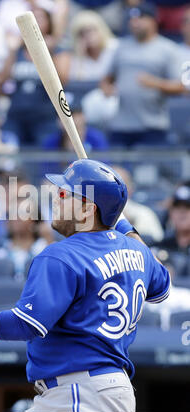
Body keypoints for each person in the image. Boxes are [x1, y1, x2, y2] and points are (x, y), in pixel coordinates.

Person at [0, 158, 170, 412]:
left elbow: (24, 324)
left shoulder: (61, 255)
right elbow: (162, 286)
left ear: (87, 210)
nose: (55, 200)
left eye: (64, 194)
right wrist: (125, 226)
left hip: (79, 393)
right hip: (109, 390)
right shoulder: (138, 251)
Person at [101, 2, 186, 148]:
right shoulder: (121, 46)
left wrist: (155, 83)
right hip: (120, 124)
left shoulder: (168, 49)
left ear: (154, 21)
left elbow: (181, 86)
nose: (135, 23)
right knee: (116, 169)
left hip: (152, 124)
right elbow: (107, 78)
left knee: (147, 170)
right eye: (132, 19)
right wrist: (106, 88)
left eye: (140, 19)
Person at [0, 1, 68, 146]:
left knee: (43, 156)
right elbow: (2, 79)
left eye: (40, 18)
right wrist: (11, 51)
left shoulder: (57, 50)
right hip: (16, 113)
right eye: (33, 17)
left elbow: (63, 80)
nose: (35, 22)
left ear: (49, 22)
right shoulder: (18, 50)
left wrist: (48, 51)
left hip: (45, 115)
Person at [60, 10, 118, 83]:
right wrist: (81, 56)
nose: (88, 36)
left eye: (91, 30)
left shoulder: (114, 47)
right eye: (82, 33)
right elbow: (77, 83)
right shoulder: (77, 56)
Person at [112, 165, 164, 243]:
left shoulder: (144, 213)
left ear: (130, 189)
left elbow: (155, 245)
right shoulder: (94, 211)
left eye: (119, 185)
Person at [151, 181, 190, 277]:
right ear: (170, 213)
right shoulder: (161, 246)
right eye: (177, 207)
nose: (182, 212)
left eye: (187, 207)